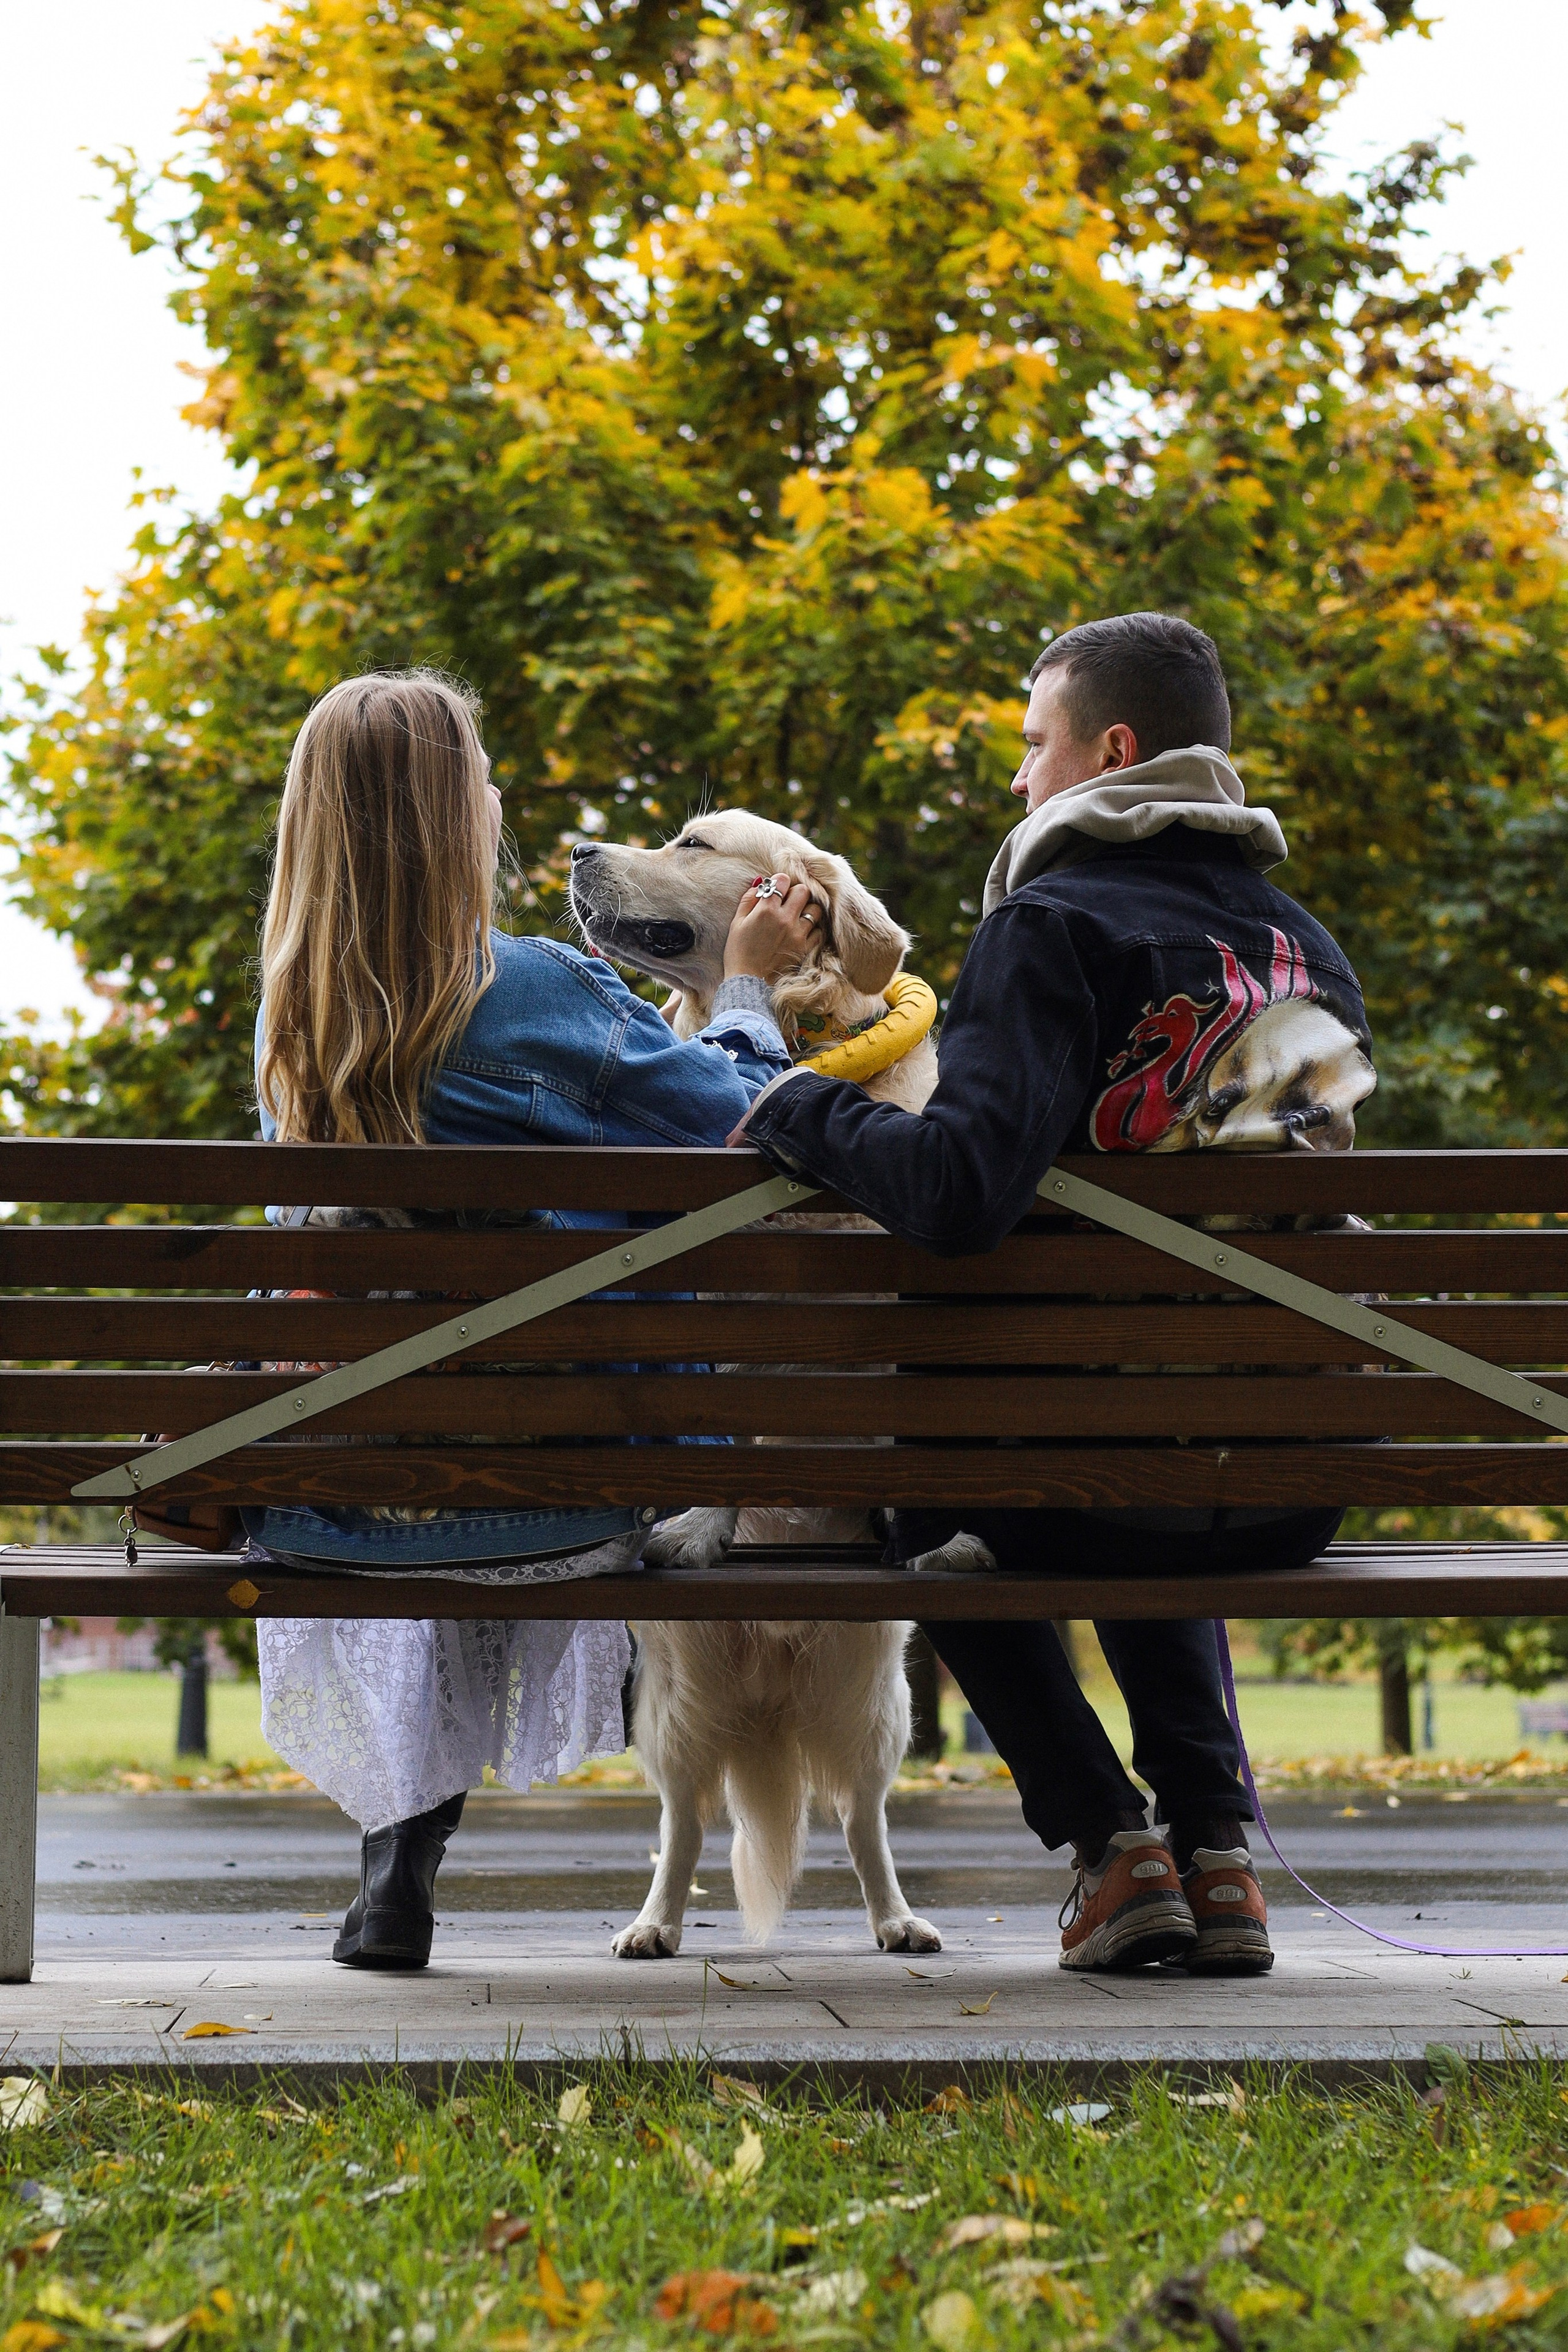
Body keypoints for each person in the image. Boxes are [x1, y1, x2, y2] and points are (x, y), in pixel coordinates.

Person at [733, 612, 1376, 1977]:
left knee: (944, 1495)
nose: (1019, 777)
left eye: (1035, 745)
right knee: (1150, 1420)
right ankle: (1216, 1853)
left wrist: (800, 1108)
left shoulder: (1049, 926)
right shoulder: (1307, 945)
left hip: (1083, 1481)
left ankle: (1108, 1844)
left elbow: (959, 1195)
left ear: (1112, 754)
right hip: (1290, 1479)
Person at [249, 668, 818, 1969]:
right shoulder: (538, 991)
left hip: (322, 1499)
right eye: (485, 780)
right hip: (554, 1499)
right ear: (453, 820)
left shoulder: (292, 1021)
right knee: (518, 1379)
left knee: (425, 1402)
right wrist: (744, 987)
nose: (501, 797)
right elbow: (742, 1133)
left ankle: (398, 1858)